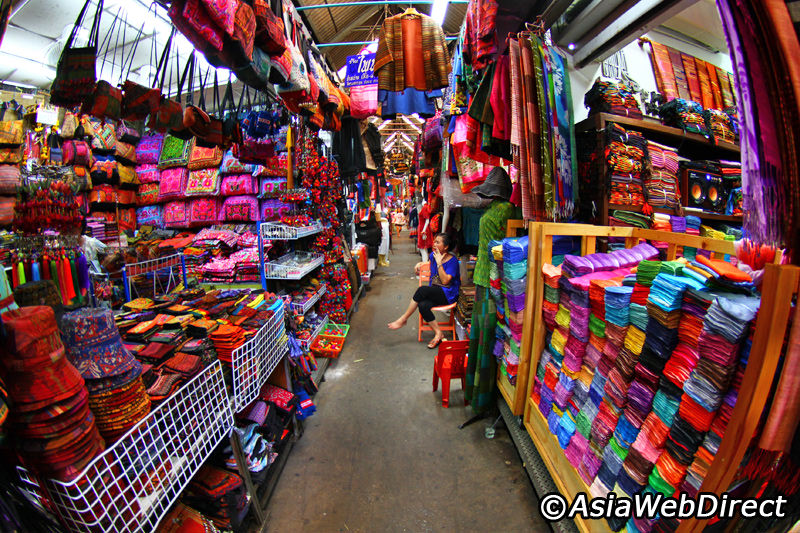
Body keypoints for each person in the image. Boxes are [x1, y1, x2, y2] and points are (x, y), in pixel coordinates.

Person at [388, 232, 460, 348]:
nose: (434, 244)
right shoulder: (433, 255)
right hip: (436, 291)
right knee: (422, 305)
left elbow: (446, 281)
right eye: (434, 241)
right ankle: (438, 333)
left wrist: (439, 263)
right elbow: (430, 264)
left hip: (448, 295)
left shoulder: (453, 261)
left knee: (422, 290)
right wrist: (421, 263)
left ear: (446, 247)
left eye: (438, 242)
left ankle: (403, 319)